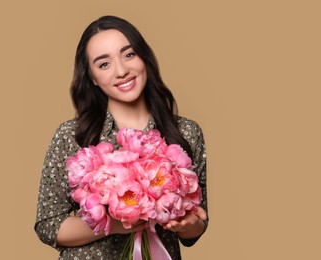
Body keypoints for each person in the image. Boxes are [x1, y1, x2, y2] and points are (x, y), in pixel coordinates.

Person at [34, 15, 208, 260]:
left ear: (144, 58)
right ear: (92, 77)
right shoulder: (72, 136)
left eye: (129, 55)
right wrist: (113, 224)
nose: (122, 71)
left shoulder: (186, 133)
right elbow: (49, 224)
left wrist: (188, 225)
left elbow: (198, 224)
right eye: (104, 64)